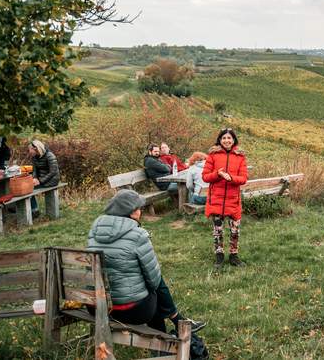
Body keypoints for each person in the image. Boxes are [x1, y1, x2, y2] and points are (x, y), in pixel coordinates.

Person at [87, 189, 205, 334]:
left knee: (147, 287)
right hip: (129, 311)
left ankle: (176, 321)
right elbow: (154, 281)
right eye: (140, 208)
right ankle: (168, 334)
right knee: (155, 287)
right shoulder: (138, 235)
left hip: (95, 306)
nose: (141, 211)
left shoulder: (94, 229)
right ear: (131, 211)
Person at [203, 129, 248, 268]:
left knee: (235, 230)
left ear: (234, 140)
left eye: (229, 138)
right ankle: (219, 256)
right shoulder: (212, 155)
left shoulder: (240, 157)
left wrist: (231, 178)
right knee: (218, 230)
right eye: (224, 138)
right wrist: (218, 174)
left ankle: (234, 256)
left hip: (233, 200)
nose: (226, 140)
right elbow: (205, 177)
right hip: (216, 198)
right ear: (219, 140)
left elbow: (243, 178)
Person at [29, 140, 60, 218]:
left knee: (29, 189)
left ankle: (34, 211)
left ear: (36, 148)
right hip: (41, 179)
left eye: (30, 149)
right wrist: (35, 178)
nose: (29, 151)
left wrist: (40, 181)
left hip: (52, 180)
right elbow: (34, 170)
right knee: (28, 187)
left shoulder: (50, 155)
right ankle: (34, 210)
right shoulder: (34, 157)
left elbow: (53, 172)